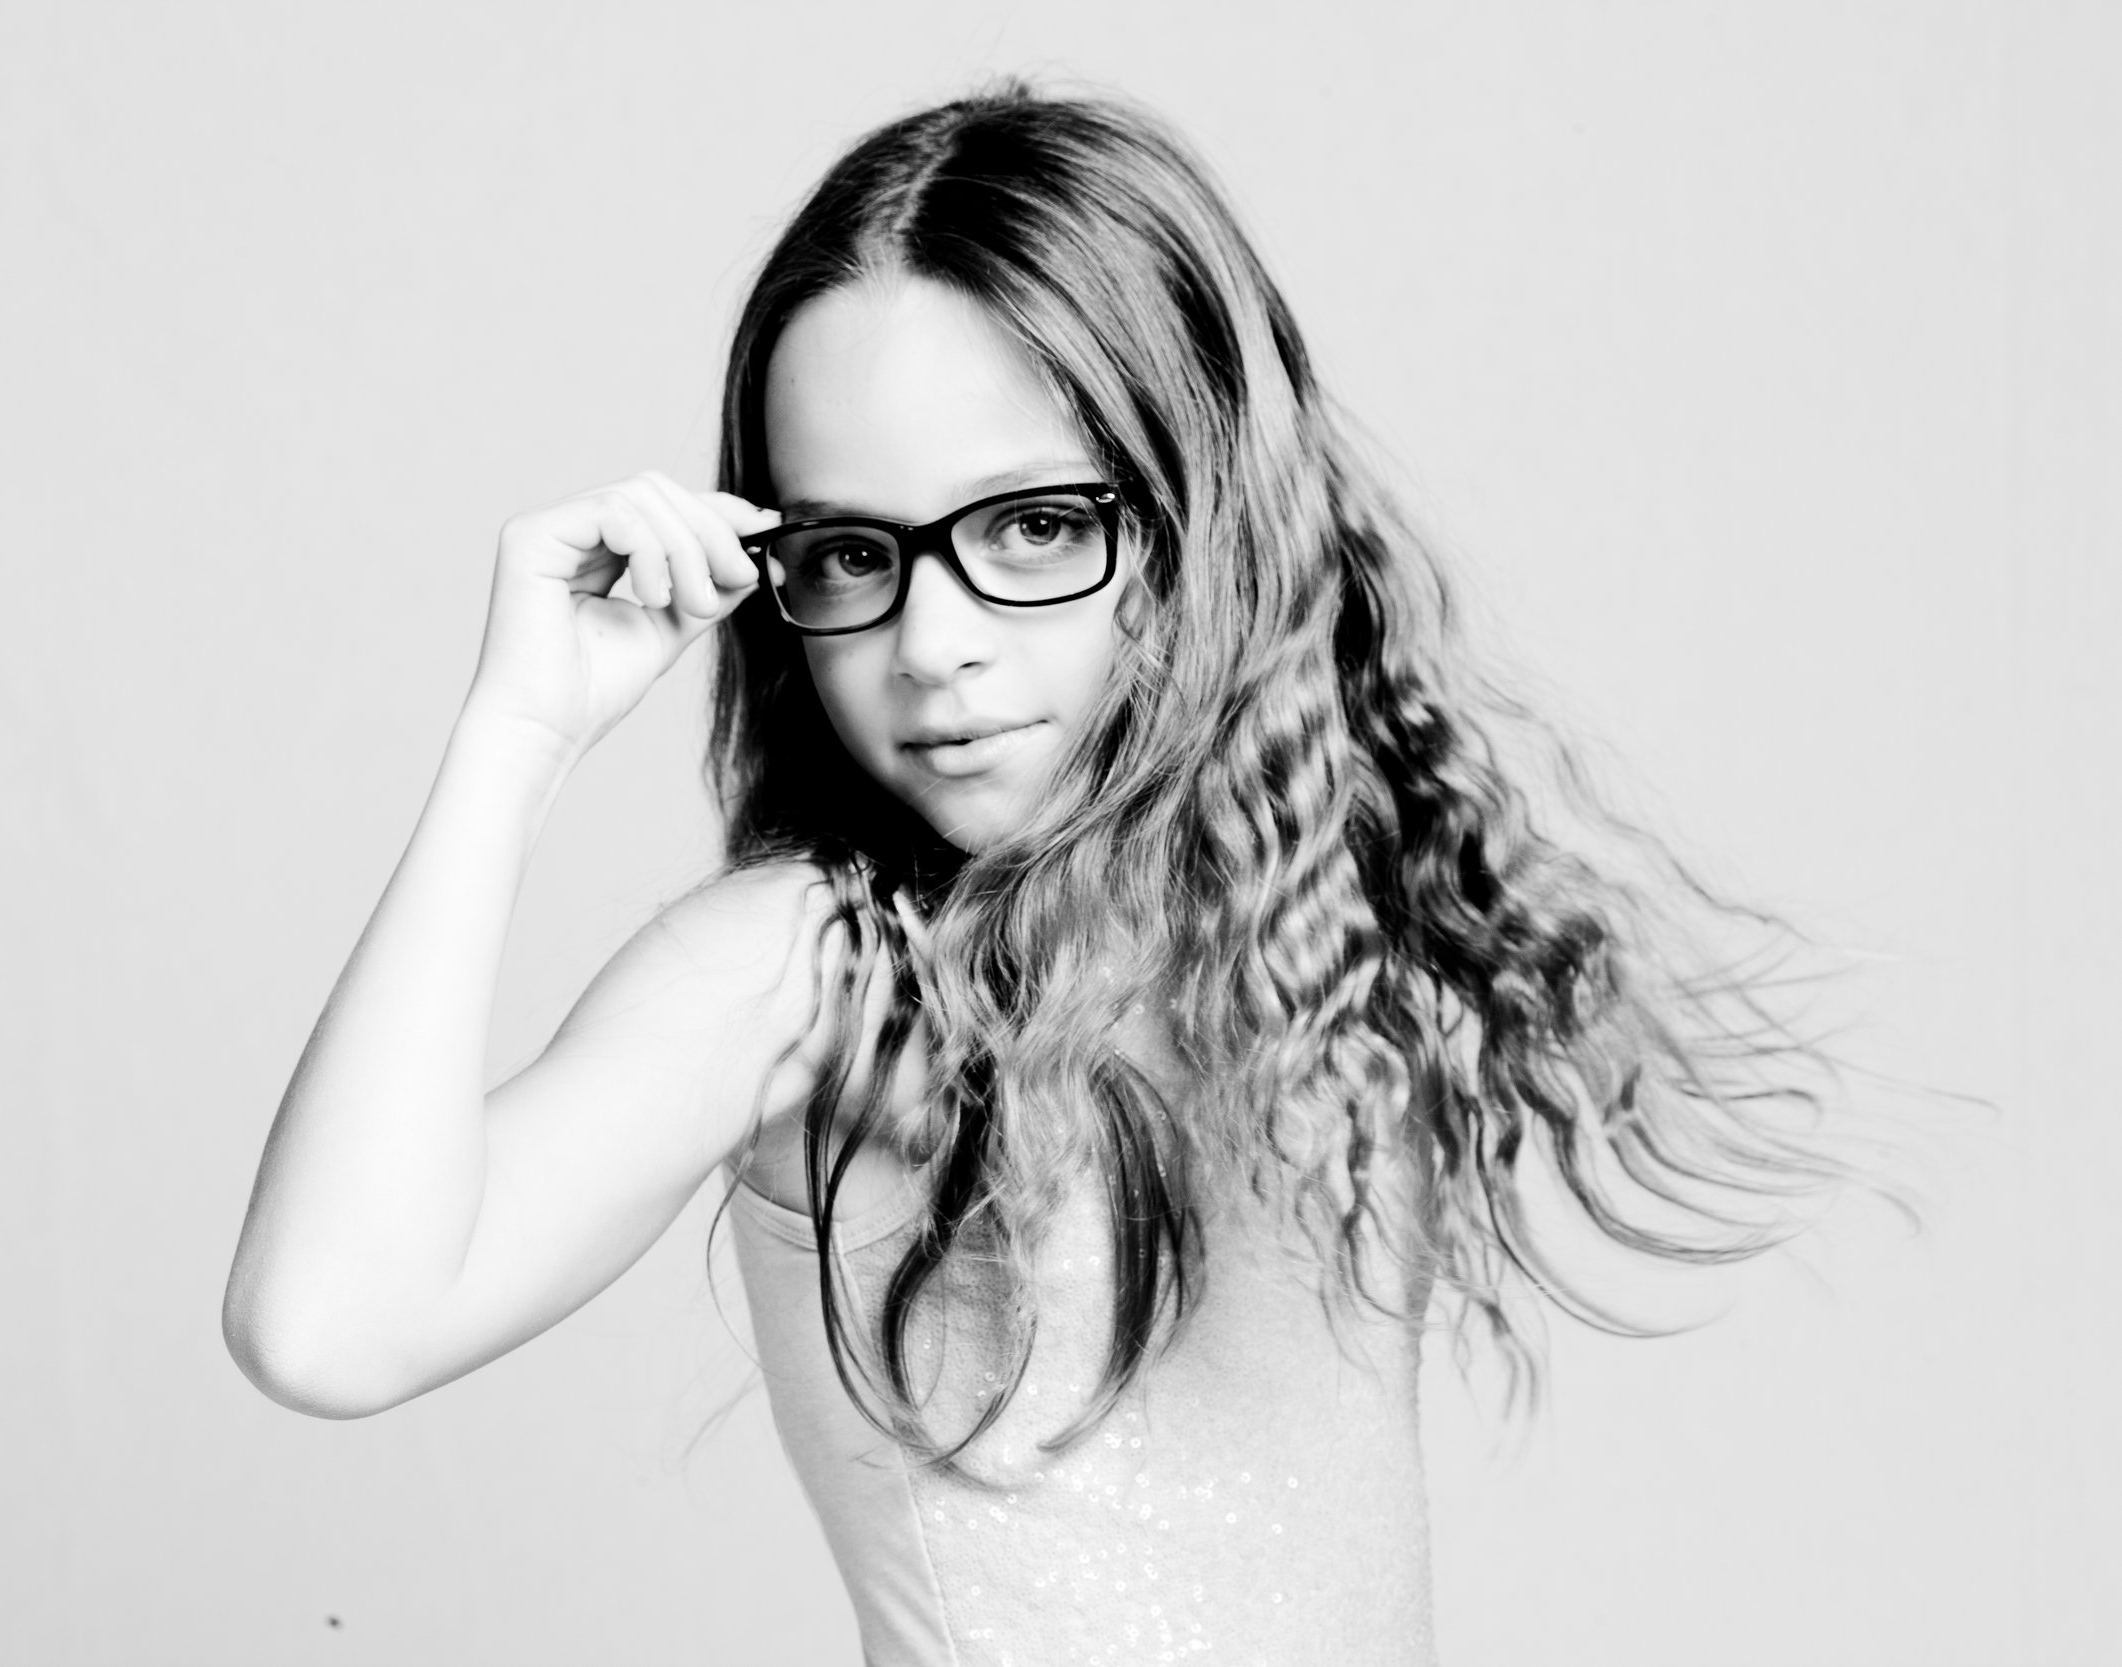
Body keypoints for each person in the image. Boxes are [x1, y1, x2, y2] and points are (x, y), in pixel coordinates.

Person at [223, 82, 1845, 1665]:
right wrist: (516, 737)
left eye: (1032, 528)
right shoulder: (813, 969)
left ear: (1201, 508)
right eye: (852, 552)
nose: (933, 648)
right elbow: (328, 1327)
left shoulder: (1326, 913)